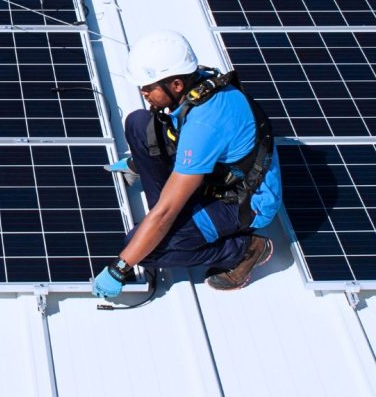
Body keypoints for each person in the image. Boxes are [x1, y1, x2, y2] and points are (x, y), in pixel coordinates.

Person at [93, 30, 283, 300]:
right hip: (214, 171)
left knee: (148, 250)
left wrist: (119, 268)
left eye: (149, 87)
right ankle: (177, 215)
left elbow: (165, 212)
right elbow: (175, 130)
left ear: (177, 85)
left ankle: (246, 249)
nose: (142, 92)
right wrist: (141, 162)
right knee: (138, 124)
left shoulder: (205, 126)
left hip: (242, 200)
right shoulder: (201, 82)